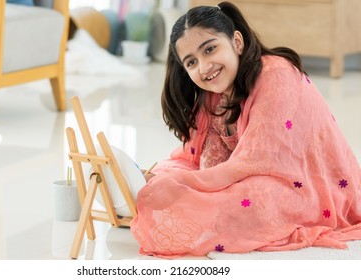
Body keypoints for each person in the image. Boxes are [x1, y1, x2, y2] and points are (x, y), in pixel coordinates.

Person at [130, 1, 361, 258]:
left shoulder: (277, 75)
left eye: (210, 49)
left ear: (237, 42)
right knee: (168, 173)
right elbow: (201, 161)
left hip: (302, 187)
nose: (204, 67)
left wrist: (180, 184)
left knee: (254, 200)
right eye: (192, 62)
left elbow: (250, 164)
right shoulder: (213, 94)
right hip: (250, 174)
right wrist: (165, 179)